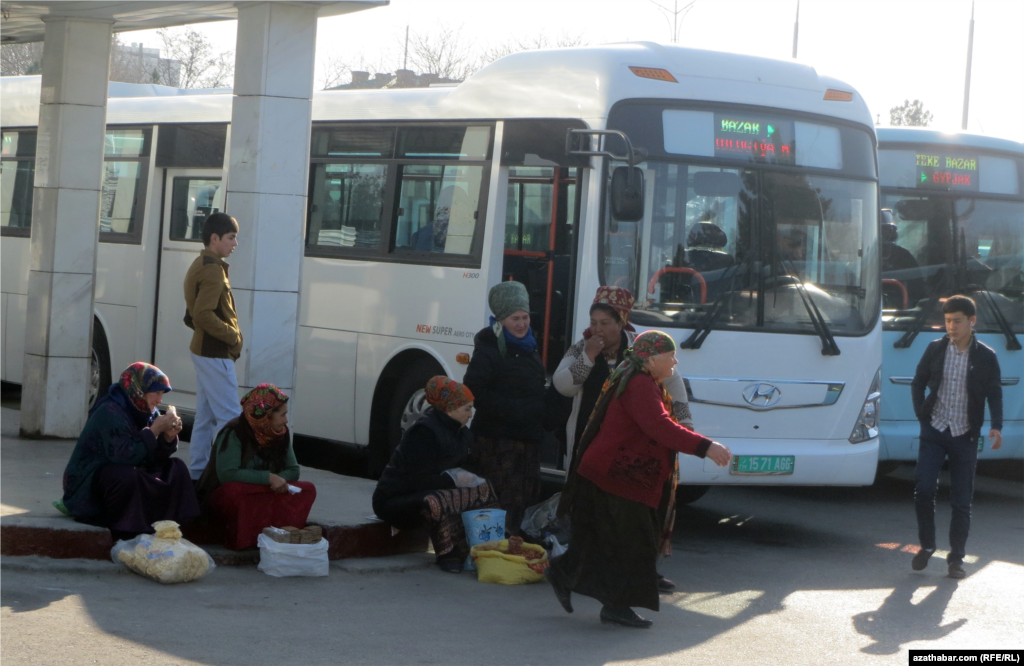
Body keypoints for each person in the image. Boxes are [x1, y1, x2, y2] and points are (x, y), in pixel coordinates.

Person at [546, 331, 732, 628]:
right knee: (633, 544)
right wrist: (705, 446)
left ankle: (565, 574)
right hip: (616, 475)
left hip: (616, 473)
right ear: (651, 357)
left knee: (606, 540)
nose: (675, 360)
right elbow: (658, 426)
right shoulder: (639, 384)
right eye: (670, 355)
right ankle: (615, 606)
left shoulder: (639, 376)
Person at [553, 286, 694, 593]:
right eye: (594, 322)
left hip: (639, 448)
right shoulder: (582, 348)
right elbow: (562, 385)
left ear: (622, 322)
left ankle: (644, 573)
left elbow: (675, 387)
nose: (598, 329)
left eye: (605, 322)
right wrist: (588, 358)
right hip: (592, 443)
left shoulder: (644, 348)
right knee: (591, 509)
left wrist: (684, 427)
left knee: (641, 512)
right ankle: (583, 573)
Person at [910, 295, 1002, 579]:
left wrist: (996, 425)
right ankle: (927, 545)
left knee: (961, 500)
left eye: (957, 321)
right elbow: (918, 382)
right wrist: (921, 415)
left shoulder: (986, 356)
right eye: (947, 321)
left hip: (965, 435)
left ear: (971, 321)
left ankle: (956, 559)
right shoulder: (935, 349)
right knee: (924, 489)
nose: (951, 326)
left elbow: (994, 392)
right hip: (935, 430)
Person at [372, 376, 499, 573]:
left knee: (483, 488)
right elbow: (418, 481)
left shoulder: (461, 432)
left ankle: (485, 545)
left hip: (427, 492)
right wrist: (454, 480)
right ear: (450, 408)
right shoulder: (424, 432)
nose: (471, 414)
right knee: (438, 499)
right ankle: (448, 553)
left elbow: (470, 465)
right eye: (467, 408)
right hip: (395, 501)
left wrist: (473, 477)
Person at [61, 363, 199, 541]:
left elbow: (151, 458)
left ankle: (177, 525)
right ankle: (126, 529)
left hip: (128, 468)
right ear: (138, 390)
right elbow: (123, 456)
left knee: (177, 467)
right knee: (127, 476)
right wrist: (154, 431)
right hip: (89, 484)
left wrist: (168, 438)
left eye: (162, 394)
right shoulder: (110, 411)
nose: (159, 400)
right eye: (156, 393)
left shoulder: (148, 412)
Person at [463, 281, 546, 538]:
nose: (521, 324)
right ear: (500, 320)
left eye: (525, 317)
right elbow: (473, 390)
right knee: (500, 501)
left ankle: (513, 548)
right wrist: (516, 409)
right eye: (514, 318)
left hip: (527, 440)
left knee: (524, 498)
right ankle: (494, 550)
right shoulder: (489, 350)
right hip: (497, 443)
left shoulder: (529, 346)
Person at [195, 384, 316, 551]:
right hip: (231, 494)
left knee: (307, 489)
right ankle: (246, 540)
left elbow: (293, 470)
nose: (286, 420)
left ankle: (280, 537)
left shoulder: (280, 433)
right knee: (237, 492)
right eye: (282, 415)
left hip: (266, 491)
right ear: (266, 416)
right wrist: (268, 478)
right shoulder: (235, 432)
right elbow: (227, 474)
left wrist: (278, 480)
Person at [184, 212, 244, 480]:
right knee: (231, 418)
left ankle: (198, 473)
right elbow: (202, 314)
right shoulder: (213, 270)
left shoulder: (201, 264)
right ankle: (227, 475)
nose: (235, 243)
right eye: (231, 238)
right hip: (214, 351)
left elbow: (194, 314)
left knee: (205, 418)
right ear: (214, 238)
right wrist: (232, 336)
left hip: (204, 349)